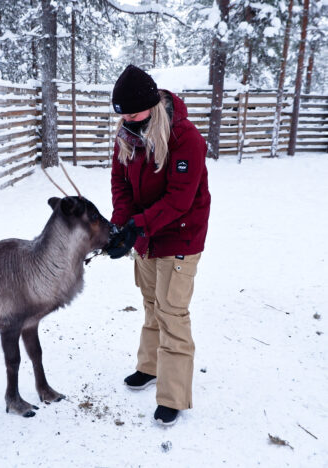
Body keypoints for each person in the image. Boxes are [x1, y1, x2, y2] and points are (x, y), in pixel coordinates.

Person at [106, 64, 211, 426]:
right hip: (147, 235)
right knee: (152, 304)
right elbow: (120, 183)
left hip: (180, 236)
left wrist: (137, 224)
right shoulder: (127, 134)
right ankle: (149, 367)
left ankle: (173, 396)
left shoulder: (185, 138)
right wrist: (121, 224)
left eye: (133, 113)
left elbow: (180, 200)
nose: (126, 121)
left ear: (150, 105)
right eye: (122, 115)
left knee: (172, 312)